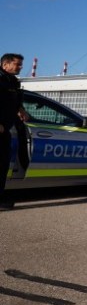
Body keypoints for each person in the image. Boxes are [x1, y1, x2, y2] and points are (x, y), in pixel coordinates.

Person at [0, 53, 28, 211]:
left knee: (2, 165)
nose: (20, 67)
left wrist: (20, 109)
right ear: (5, 64)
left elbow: (11, 100)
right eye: (17, 64)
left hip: (6, 129)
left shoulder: (12, 81)